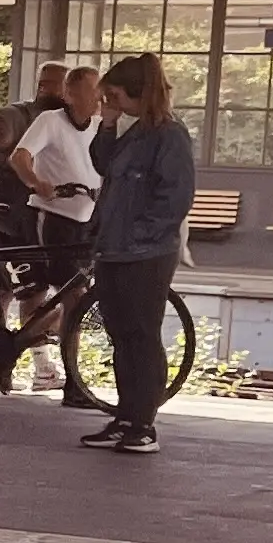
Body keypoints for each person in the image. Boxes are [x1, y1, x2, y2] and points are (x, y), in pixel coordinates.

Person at [82, 51, 196, 454]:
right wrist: (107, 128)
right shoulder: (136, 133)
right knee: (121, 335)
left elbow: (175, 197)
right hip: (115, 247)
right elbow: (102, 165)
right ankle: (126, 415)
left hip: (145, 252)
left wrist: (140, 233)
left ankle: (143, 422)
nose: (109, 104)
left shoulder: (169, 135)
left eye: (113, 95)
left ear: (135, 93)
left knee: (142, 335)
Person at [10, 65, 107, 407]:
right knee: (70, 296)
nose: (99, 97)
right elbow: (19, 157)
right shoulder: (51, 121)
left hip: (87, 220)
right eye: (93, 90)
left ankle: (27, 347)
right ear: (70, 94)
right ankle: (68, 379)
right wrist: (38, 183)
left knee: (73, 297)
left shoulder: (100, 126)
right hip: (53, 217)